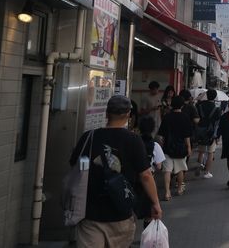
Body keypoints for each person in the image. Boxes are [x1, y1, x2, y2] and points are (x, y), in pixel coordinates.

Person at [68, 95, 161, 247]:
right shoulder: (133, 140)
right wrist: (155, 203)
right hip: (121, 213)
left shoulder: (89, 137)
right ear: (129, 115)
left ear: (106, 113)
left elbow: (75, 166)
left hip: (90, 213)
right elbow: (145, 175)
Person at [157, 95, 192, 200]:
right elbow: (187, 136)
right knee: (180, 169)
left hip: (167, 147)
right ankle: (179, 188)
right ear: (182, 105)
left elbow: (161, 135)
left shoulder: (167, 117)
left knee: (167, 171)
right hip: (181, 148)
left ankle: (167, 192)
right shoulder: (185, 117)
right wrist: (189, 147)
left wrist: (161, 146)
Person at [136, 115, 165, 229]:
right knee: (149, 212)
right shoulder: (155, 145)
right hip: (148, 181)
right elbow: (159, 166)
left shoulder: (134, 142)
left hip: (132, 181)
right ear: (153, 128)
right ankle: (146, 235)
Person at [195, 89, 222, 179]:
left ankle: (200, 165)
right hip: (211, 132)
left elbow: (196, 117)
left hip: (201, 130)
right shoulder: (216, 108)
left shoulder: (200, 106)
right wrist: (217, 136)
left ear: (206, 95)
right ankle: (207, 172)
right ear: (215, 97)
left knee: (201, 151)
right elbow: (218, 122)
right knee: (211, 152)